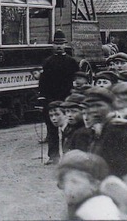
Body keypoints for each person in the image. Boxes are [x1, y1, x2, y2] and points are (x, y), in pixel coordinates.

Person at [38, 29, 79, 164]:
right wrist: (42, 98)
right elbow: (42, 82)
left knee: (69, 129)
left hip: (66, 100)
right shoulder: (47, 62)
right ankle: (53, 156)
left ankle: (69, 156)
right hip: (51, 100)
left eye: (61, 43)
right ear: (53, 45)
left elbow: (76, 81)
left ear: (65, 45)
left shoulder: (72, 62)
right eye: (56, 43)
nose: (59, 46)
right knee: (52, 129)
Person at [84, 87, 127, 177]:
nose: (93, 110)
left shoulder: (117, 128)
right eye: (90, 106)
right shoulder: (98, 127)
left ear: (111, 106)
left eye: (98, 105)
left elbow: (119, 167)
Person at [56, 150, 112, 220]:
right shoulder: (76, 204)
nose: (68, 188)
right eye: (65, 181)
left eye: (75, 182)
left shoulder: (97, 210)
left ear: (94, 184)